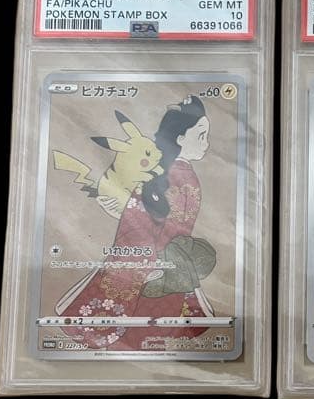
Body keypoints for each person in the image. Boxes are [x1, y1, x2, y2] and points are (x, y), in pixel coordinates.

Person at [56, 96, 216, 350]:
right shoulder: (177, 177)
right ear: (180, 138)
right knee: (154, 318)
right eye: (201, 135)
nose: (206, 143)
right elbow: (149, 221)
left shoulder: (172, 176)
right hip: (163, 258)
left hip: (163, 257)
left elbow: (143, 223)